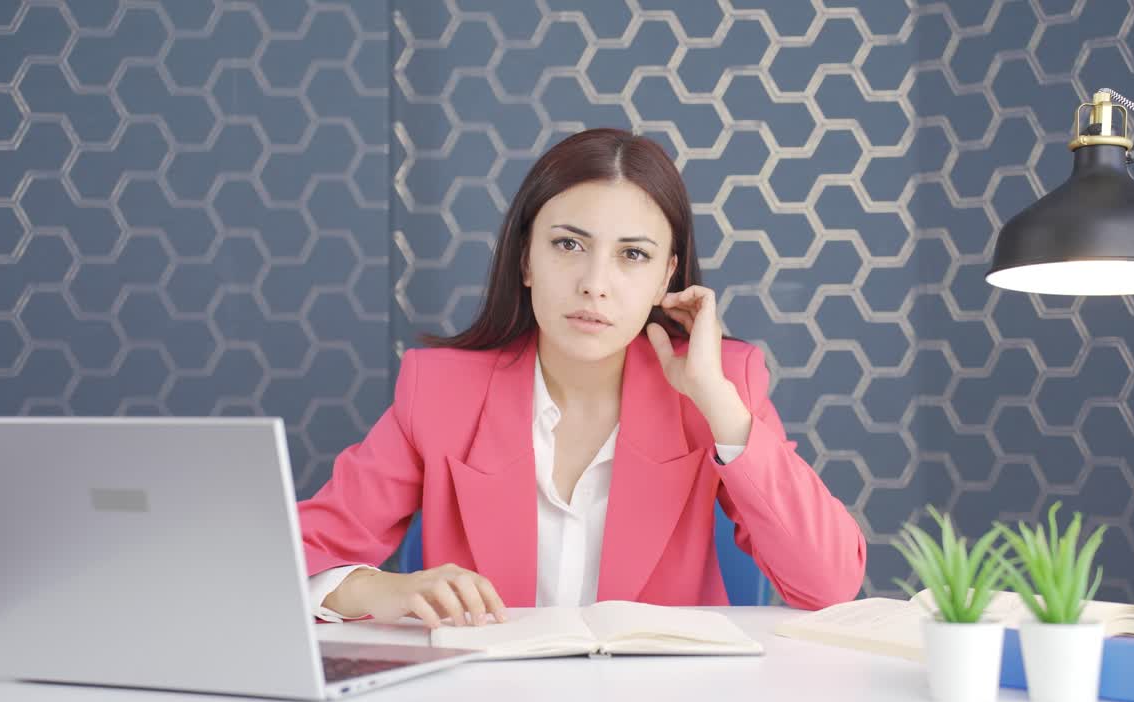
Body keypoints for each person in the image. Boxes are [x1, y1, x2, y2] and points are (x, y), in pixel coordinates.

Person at [298, 128, 866, 629]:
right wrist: (383, 588)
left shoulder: (721, 385)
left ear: (668, 274)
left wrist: (719, 403)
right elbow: (294, 554)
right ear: (526, 259)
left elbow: (830, 584)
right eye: (568, 245)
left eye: (633, 256)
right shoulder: (440, 390)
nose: (595, 283)